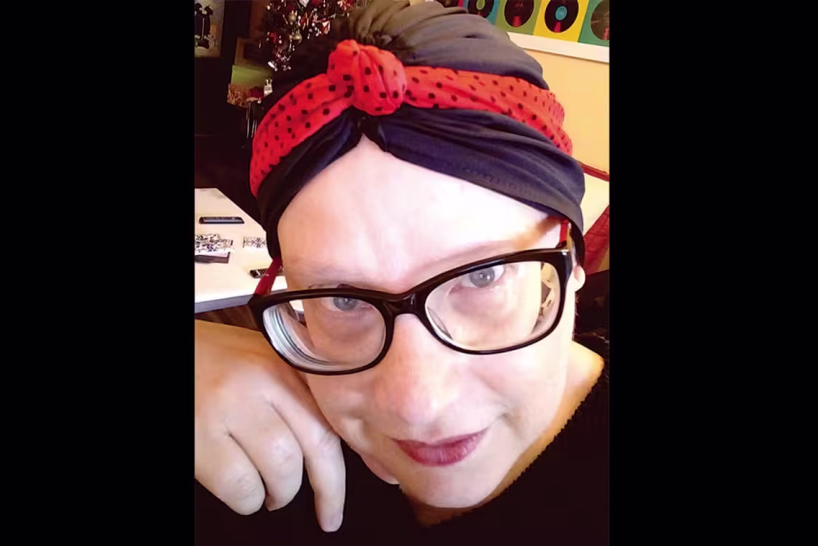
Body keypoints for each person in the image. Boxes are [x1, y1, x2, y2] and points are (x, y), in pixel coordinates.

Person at [194, 0, 608, 543]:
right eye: (342, 299)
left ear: (569, 256)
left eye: (482, 277)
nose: (416, 406)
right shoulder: (244, 447)